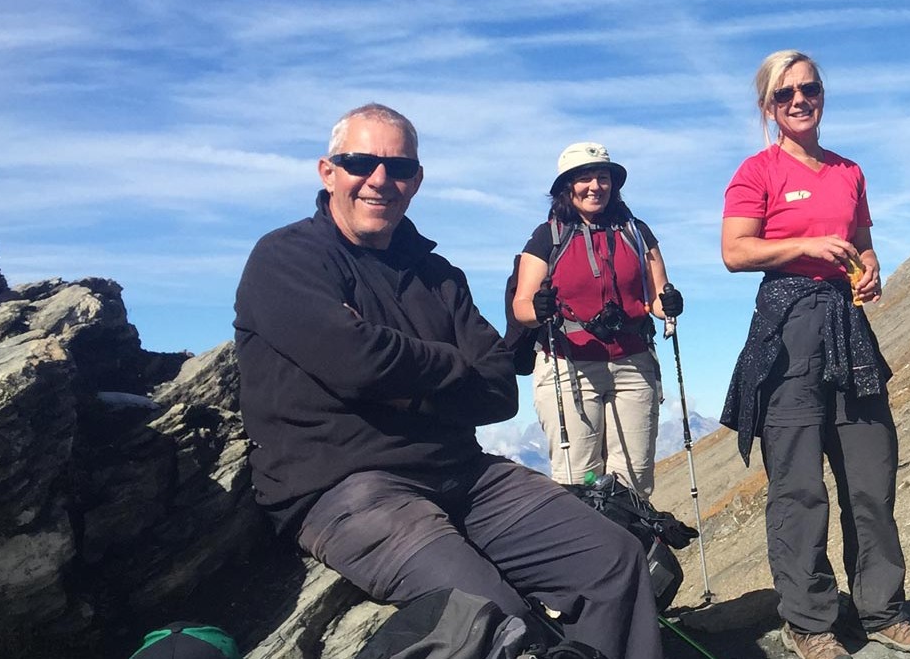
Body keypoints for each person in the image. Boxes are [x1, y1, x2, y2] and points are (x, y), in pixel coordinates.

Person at [233, 103, 662, 659]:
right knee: (493, 617)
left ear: (417, 180)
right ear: (328, 171)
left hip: (465, 474)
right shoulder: (285, 258)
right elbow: (357, 363)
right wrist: (444, 368)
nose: (380, 180)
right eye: (360, 161)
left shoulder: (437, 275)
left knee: (616, 558)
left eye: (400, 168)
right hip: (351, 488)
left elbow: (498, 387)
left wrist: (401, 370)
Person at [718, 50, 910, 659]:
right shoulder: (756, 171)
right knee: (797, 486)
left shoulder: (849, 172)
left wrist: (871, 274)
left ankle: (882, 609)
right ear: (768, 106)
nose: (798, 101)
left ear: (822, 93)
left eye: (808, 89)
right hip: (786, 331)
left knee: (870, 472)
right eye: (784, 94)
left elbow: (865, 247)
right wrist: (806, 243)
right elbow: (734, 252)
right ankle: (809, 622)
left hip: (847, 324)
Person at [508, 142, 678, 495]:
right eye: (585, 178)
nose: (595, 186)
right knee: (580, 479)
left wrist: (670, 303)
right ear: (566, 187)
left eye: (603, 177)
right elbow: (522, 306)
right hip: (568, 365)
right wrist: (538, 310)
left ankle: (630, 544)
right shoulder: (546, 237)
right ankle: (589, 543)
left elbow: (658, 297)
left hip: (633, 364)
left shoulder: (636, 232)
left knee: (633, 479)